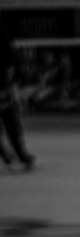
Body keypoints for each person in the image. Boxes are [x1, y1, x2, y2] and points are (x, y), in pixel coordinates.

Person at [0, 23, 34, 171]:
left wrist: (10, 78)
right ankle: (9, 154)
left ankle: (19, 154)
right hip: (4, 82)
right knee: (11, 120)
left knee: (11, 121)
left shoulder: (3, 33)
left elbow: (10, 58)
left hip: (2, 83)